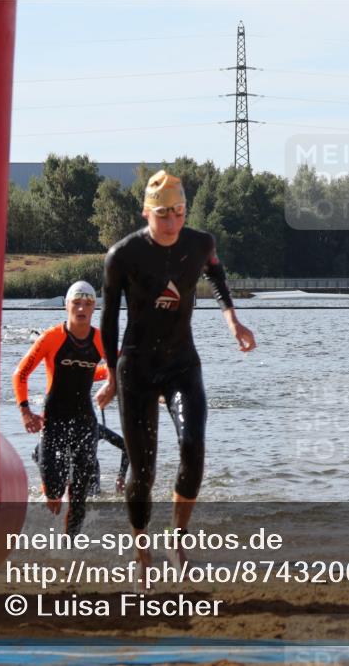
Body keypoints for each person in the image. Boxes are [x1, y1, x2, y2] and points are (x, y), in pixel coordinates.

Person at [96, 170, 256, 572]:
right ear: (146, 212)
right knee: (143, 468)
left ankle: (177, 541)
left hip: (182, 362)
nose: (172, 224)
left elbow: (216, 275)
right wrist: (112, 374)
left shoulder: (201, 243)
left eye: (180, 213)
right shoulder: (123, 255)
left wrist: (232, 320)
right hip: (136, 367)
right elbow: (109, 318)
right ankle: (141, 549)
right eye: (164, 214)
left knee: (193, 447)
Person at [13, 281, 111, 534]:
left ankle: (70, 552)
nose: (81, 308)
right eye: (76, 303)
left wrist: (113, 383)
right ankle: (48, 486)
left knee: (79, 495)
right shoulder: (51, 338)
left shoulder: (101, 339)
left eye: (87, 304)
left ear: (94, 308)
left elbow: (119, 369)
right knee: (54, 497)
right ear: (66, 305)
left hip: (84, 422)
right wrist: (25, 411)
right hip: (54, 420)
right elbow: (20, 374)